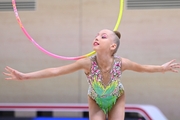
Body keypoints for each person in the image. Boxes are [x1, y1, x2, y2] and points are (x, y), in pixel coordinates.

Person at [3, 29, 180, 120]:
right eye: (96, 35)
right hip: (95, 99)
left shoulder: (121, 63)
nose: (96, 37)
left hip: (117, 97)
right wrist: (25, 76)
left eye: (103, 36)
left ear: (112, 47)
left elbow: (142, 68)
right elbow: (55, 71)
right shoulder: (87, 63)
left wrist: (161, 68)